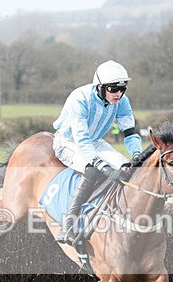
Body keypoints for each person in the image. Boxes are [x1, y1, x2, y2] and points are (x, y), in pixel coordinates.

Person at [52, 60, 143, 245]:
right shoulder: (80, 98)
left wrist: (137, 156)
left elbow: (130, 134)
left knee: (127, 169)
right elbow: (82, 141)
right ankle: (68, 223)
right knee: (93, 169)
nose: (118, 94)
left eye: (122, 89)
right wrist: (102, 165)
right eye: (113, 89)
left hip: (96, 142)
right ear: (100, 87)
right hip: (68, 142)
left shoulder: (122, 101)